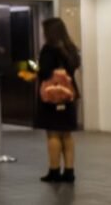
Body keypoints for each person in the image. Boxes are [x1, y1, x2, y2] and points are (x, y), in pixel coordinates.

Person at [35, 18, 81, 183]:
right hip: (68, 95)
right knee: (66, 135)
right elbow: (73, 68)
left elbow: (45, 72)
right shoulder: (71, 48)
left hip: (52, 96)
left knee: (53, 133)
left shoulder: (49, 49)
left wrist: (35, 69)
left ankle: (54, 171)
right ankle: (69, 172)